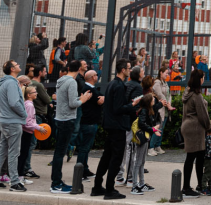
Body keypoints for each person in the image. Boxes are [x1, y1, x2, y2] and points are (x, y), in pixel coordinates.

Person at [90, 58, 142, 200]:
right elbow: (118, 108)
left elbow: (113, 106)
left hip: (111, 124)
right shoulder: (119, 86)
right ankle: (110, 189)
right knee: (115, 158)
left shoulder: (113, 84)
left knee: (107, 156)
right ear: (123, 70)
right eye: (129, 68)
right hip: (117, 126)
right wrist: (133, 105)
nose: (130, 70)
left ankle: (97, 186)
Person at [51, 59, 91, 193]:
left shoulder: (61, 80)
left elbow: (68, 100)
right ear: (79, 69)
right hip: (67, 120)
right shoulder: (72, 82)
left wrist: (80, 98)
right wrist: (83, 100)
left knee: (59, 152)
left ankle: (57, 181)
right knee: (60, 153)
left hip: (60, 118)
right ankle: (56, 184)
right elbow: (73, 103)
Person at [0, 62, 26, 192]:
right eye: (17, 64)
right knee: (13, 153)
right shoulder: (11, 83)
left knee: (2, 150)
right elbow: (14, 102)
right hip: (12, 122)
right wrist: (24, 113)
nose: (18, 65)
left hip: (4, 120)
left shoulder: (3, 83)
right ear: (12, 69)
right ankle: (15, 182)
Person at [181, 69, 211, 197]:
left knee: (195, 157)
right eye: (203, 77)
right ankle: (188, 187)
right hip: (196, 129)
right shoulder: (197, 96)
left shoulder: (187, 93)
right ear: (199, 79)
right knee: (195, 158)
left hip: (187, 126)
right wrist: (209, 126)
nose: (204, 79)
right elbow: (203, 115)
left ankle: (198, 185)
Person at [129, 93, 160, 195]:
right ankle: (134, 186)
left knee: (141, 162)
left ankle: (141, 184)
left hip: (145, 137)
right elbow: (141, 124)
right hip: (142, 138)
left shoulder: (148, 110)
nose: (154, 101)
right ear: (148, 101)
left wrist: (153, 129)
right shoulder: (144, 110)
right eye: (152, 99)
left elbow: (147, 123)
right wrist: (153, 129)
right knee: (138, 162)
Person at [77, 70, 103, 180]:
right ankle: (80, 172)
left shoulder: (90, 89)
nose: (97, 76)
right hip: (89, 123)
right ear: (92, 77)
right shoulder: (89, 89)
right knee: (84, 148)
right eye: (96, 75)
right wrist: (103, 98)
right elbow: (99, 101)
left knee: (86, 148)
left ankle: (85, 169)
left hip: (90, 122)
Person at [17, 85, 41, 182]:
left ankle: (20, 175)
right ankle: (20, 176)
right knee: (23, 154)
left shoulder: (27, 103)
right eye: (34, 92)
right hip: (27, 132)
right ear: (29, 95)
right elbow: (27, 122)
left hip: (26, 131)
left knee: (23, 154)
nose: (36, 93)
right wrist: (38, 127)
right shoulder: (29, 105)